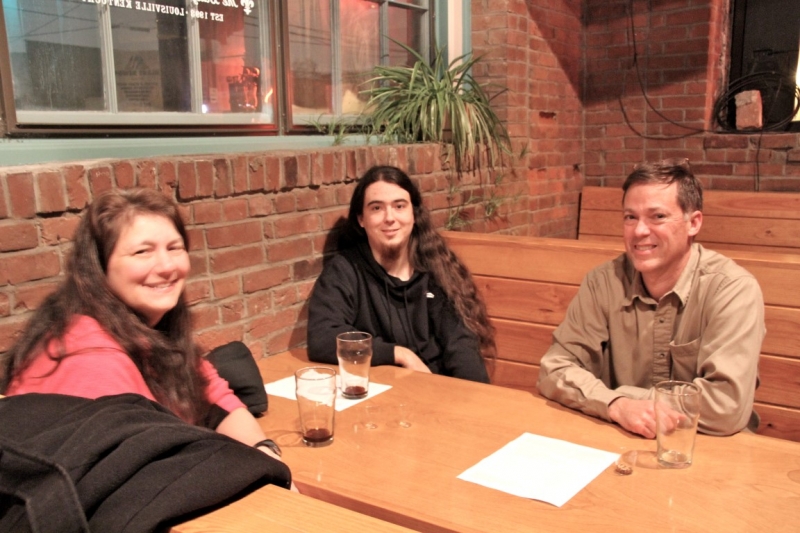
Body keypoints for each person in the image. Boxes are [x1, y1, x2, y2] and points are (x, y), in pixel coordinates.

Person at [0, 188, 286, 464]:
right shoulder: (89, 356)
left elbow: (214, 398)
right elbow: (147, 472)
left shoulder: (148, 332)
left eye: (174, 248)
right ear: (99, 267)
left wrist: (262, 449)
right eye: (142, 252)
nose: (167, 266)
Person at [537, 159, 765, 437]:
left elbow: (724, 407)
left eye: (657, 216)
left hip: (712, 443)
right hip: (622, 437)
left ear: (693, 223)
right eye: (630, 217)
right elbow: (554, 369)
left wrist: (617, 398)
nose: (639, 231)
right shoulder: (603, 282)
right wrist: (618, 406)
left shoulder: (732, 289)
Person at [307, 165, 494, 383]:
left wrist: (476, 396)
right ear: (361, 219)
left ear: (413, 214)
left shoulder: (436, 267)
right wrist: (399, 354)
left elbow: (461, 347)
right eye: (377, 208)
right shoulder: (346, 270)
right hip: (381, 393)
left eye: (399, 206)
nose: (389, 217)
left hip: (438, 389)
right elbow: (322, 337)